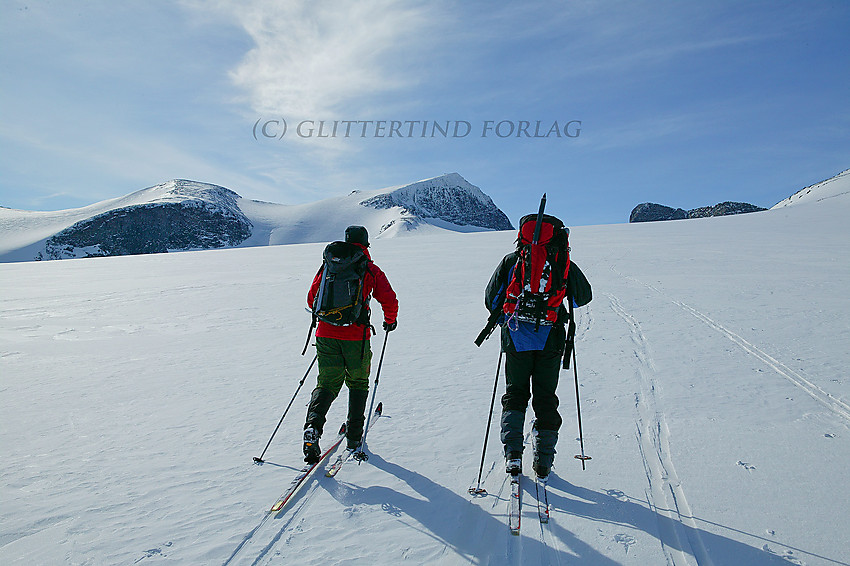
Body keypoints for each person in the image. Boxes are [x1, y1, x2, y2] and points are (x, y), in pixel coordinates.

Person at [484, 214, 591, 480]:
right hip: (551, 340)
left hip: (516, 338)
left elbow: (491, 299)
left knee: (515, 394)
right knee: (545, 397)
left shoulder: (512, 261)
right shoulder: (562, 262)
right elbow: (583, 297)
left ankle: (512, 454)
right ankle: (543, 462)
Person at [303, 226, 398, 464]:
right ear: (365, 244)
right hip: (357, 337)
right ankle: (354, 438)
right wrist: (390, 321)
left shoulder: (328, 265)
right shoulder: (369, 268)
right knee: (357, 383)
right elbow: (388, 298)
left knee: (326, 384)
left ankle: (313, 426)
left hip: (325, 335)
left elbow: (311, 297)